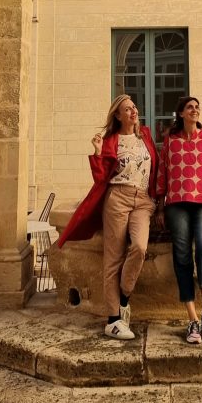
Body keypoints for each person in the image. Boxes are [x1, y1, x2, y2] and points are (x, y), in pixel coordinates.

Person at [57, 95, 158, 339]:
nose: (133, 111)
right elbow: (101, 178)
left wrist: (160, 201)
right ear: (118, 115)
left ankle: (124, 295)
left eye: (134, 107)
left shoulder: (144, 135)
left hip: (143, 200)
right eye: (127, 109)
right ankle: (113, 320)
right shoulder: (112, 140)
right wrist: (98, 152)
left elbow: (156, 168)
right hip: (117, 198)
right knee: (112, 258)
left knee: (140, 248)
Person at [155, 95, 202, 345]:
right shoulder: (170, 142)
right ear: (181, 113)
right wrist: (160, 209)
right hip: (176, 204)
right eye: (190, 107)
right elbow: (162, 174)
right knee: (182, 255)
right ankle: (192, 318)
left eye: (197, 107)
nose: (195, 110)